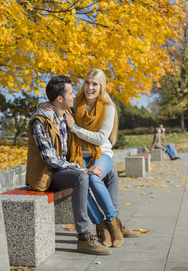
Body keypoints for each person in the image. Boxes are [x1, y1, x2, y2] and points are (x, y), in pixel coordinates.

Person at [40, 69, 140, 248]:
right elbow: (58, 102)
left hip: (102, 154)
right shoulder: (75, 102)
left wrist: (75, 128)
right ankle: (101, 226)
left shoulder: (109, 108)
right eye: (87, 82)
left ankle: (113, 222)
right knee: (80, 182)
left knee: (94, 177)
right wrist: (42, 105)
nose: (90, 87)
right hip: (78, 156)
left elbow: (101, 138)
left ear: (102, 87)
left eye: (95, 84)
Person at [26, 76, 112, 255]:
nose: (74, 96)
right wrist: (83, 168)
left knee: (106, 173)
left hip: (60, 172)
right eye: (71, 93)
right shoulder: (39, 121)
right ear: (60, 99)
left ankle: (112, 223)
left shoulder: (65, 117)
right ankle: (84, 237)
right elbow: (50, 158)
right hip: (45, 174)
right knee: (81, 176)